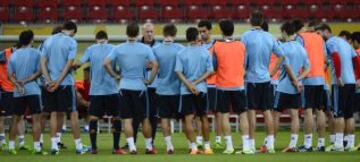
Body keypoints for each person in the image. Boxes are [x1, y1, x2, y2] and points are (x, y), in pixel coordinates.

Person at [104, 22, 158, 154]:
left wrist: (115, 75)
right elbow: (155, 64)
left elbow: (106, 63)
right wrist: (149, 80)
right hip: (140, 87)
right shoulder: (145, 48)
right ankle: (149, 147)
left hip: (124, 86)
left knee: (127, 119)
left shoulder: (118, 48)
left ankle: (132, 147)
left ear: (126, 33)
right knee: (145, 118)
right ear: (139, 33)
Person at [40, 21, 88, 155]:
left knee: (54, 113)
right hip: (65, 84)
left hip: (50, 84)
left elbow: (42, 63)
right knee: (73, 114)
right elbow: (69, 64)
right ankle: (79, 146)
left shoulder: (48, 41)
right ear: (72, 30)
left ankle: (54, 146)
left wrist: (50, 81)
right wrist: (58, 81)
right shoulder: (71, 42)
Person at [241, 10, 284, 153]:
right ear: (262, 21)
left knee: (251, 112)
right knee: (267, 111)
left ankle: (251, 145)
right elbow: (282, 55)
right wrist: (271, 72)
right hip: (266, 79)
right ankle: (270, 144)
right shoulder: (269, 37)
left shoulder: (245, 36)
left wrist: (243, 71)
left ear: (250, 20)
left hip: (251, 79)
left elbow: (242, 59)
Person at [208, 20, 251, 155]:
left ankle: (229, 147)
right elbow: (246, 65)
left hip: (222, 86)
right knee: (243, 115)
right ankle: (246, 147)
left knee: (225, 116)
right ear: (233, 30)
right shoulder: (241, 45)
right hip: (238, 85)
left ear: (221, 31)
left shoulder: (217, 46)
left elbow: (213, 67)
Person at [316, 24, 360, 152]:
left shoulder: (330, 42)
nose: (318, 36)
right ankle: (350, 144)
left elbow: (335, 57)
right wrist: (358, 78)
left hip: (340, 82)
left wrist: (339, 76)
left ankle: (339, 144)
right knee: (349, 115)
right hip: (351, 81)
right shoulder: (345, 43)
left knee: (339, 114)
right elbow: (357, 60)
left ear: (325, 31)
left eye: (319, 33)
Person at [271, 21, 311, 152]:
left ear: (284, 32)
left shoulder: (283, 47)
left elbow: (286, 67)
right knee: (295, 116)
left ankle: (271, 145)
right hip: (296, 87)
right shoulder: (301, 48)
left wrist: (294, 80)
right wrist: (299, 80)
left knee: (275, 115)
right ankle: (292, 145)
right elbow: (308, 68)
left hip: (283, 86)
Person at [175, 27, 214, 155]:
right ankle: (207, 147)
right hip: (201, 89)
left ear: (187, 38)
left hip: (186, 90)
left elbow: (178, 72)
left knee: (188, 119)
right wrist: (196, 83)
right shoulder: (205, 52)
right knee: (203, 117)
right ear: (197, 37)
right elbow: (210, 71)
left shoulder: (181, 53)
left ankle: (194, 148)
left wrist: (189, 84)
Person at [7, 30, 46, 155]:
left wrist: (18, 85)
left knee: (15, 118)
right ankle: (37, 148)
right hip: (33, 90)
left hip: (19, 91)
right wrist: (26, 80)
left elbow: (9, 75)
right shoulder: (37, 53)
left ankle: (11, 146)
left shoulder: (13, 55)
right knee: (36, 119)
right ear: (31, 40)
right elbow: (40, 71)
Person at [293, 19, 328, 152]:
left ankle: (308, 144)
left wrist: (298, 79)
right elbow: (325, 60)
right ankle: (321, 143)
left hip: (307, 79)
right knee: (320, 111)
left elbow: (297, 59)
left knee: (308, 111)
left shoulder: (299, 38)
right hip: (320, 79)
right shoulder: (319, 38)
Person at [152, 24, 185, 154]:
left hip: (162, 89)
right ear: (175, 34)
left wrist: (149, 81)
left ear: (163, 33)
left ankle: (169, 146)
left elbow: (152, 66)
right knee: (185, 118)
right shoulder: (181, 49)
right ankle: (192, 144)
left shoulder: (156, 49)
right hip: (178, 89)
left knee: (164, 118)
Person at [0, 43, 31, 152]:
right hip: (5, 91)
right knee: (2, 117)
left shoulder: (23, 57)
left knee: (20, 117)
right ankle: (2, 142)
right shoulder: (3, 54)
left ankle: (22, 143)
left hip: (18, 90)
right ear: (15, 48)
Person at [197, 20, 223, 149]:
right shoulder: (197, 46)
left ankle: (218, 139)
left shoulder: (218, 46)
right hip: (201, 85)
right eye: (200, 32)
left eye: (204, 31)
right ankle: (200, 138)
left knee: (217, 112)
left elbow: (220, 66)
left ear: (210, 31)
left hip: (215, 85)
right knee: (200, 113)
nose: (202, 34)